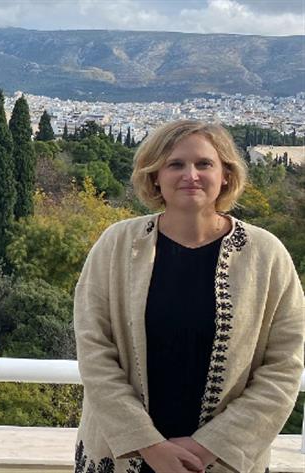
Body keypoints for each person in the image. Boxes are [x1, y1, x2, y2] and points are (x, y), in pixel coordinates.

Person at [73, 120, 303, 473]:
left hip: (223, 461)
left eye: (204, 164)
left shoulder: (266, 255)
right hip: (121, 455)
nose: (190, 175)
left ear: (226, 175)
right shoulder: (117, 245)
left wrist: (209, 447)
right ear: (155, 176)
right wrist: (148, 445)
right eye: (175, 164)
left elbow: (284, 366)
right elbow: (94, 351)